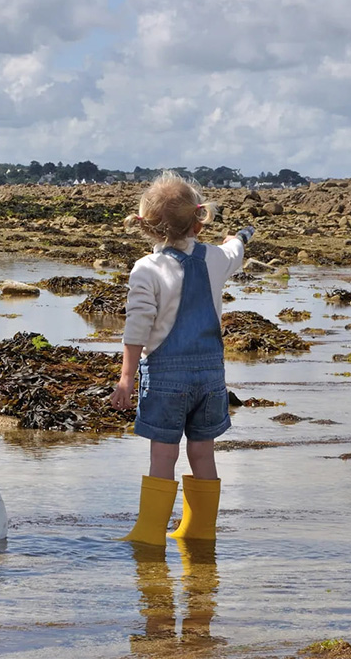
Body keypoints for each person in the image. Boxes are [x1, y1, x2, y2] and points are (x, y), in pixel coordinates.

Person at [110, 171, 252, 546]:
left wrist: (126, 379)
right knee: (203, 453)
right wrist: (236, 239)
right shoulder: (216, 258)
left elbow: (136, 329)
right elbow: (235, 253)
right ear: (199, 220)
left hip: (166, 378)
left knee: (163, 455)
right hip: (210, 377)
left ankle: (150, 532)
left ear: (148, 228)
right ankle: (200, 532)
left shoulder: (147, 269)